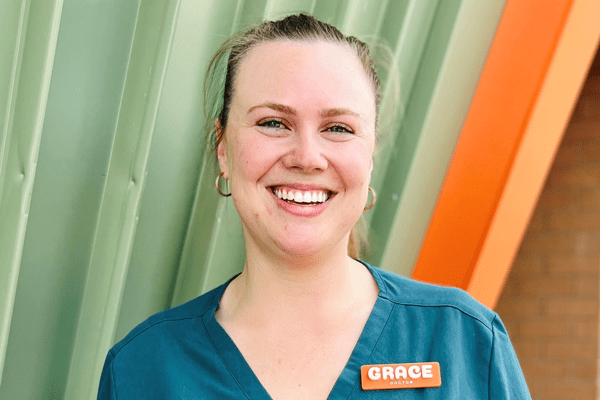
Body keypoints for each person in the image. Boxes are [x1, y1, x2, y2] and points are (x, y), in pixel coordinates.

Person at [97, 14, 531, 399]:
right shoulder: (143, 369)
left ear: (370, 154)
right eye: (273, 122)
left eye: (338, 128)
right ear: (223, 148)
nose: (307, 156)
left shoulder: (463, 341)